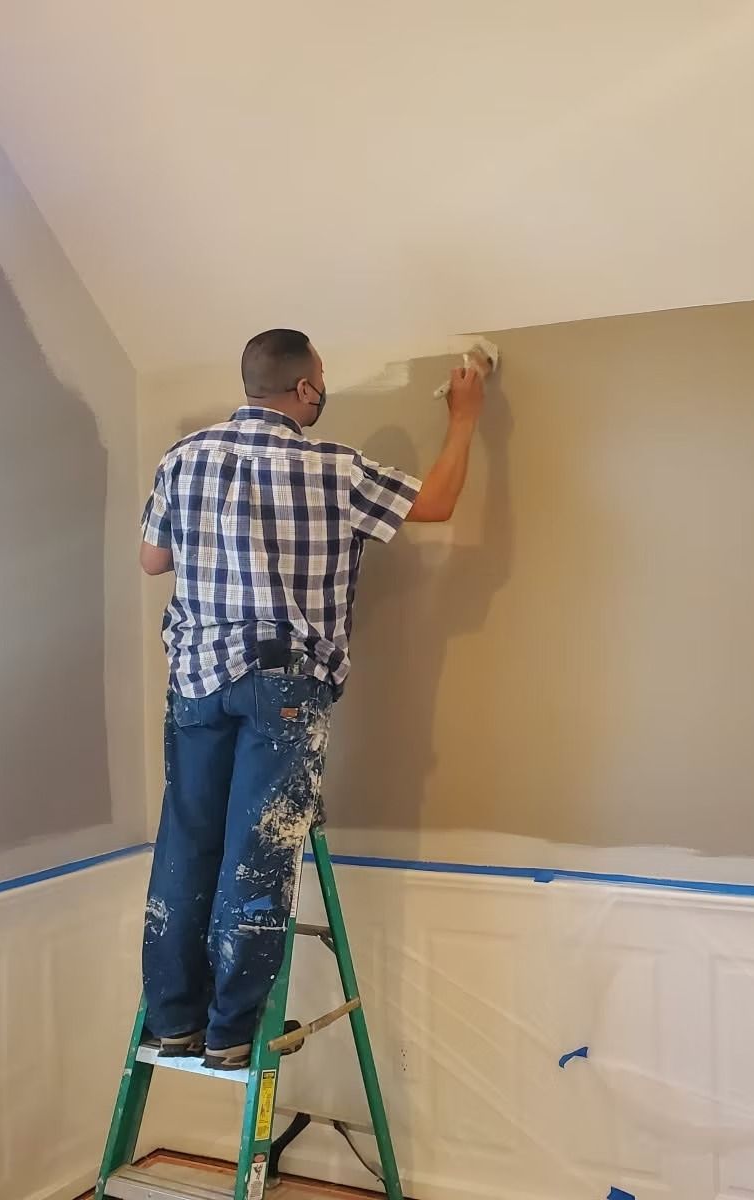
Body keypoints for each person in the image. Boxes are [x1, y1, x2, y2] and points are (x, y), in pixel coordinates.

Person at [138, 328, 486, 1069]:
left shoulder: (184, 457)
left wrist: (221, 542)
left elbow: (153, 559)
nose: (321, 389)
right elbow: (438, 503)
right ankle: (232, 1032)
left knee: (187, 845)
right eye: (320, 379)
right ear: (302, 389)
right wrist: (464, 417)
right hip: (282, 685)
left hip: (196, 681)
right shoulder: (333, 467)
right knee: (257, 857)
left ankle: (174, 1022)